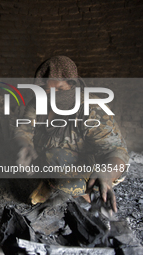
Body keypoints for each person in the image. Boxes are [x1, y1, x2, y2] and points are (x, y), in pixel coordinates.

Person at [14, 56, 129, 213]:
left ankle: (85, 195)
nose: (52, 96)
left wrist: (107, 173)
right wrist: (24, 145)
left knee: (59, 163)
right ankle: (55, 185)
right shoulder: (38, 103)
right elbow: (24, 129)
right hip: (50, 160)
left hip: (87, 165)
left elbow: (115, 150)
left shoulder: (92, 108)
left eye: (60, 90)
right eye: (47, 90)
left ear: (72, 84)